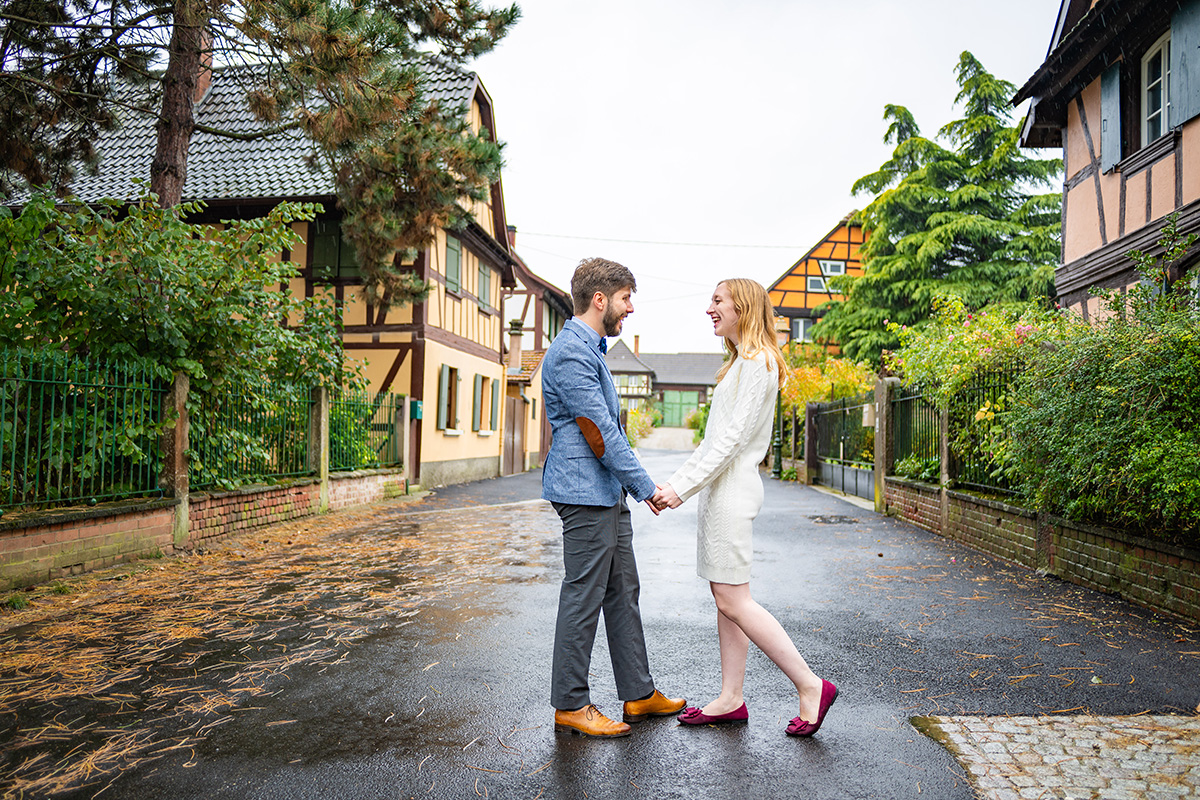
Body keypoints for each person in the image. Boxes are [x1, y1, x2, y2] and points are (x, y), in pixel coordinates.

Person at [654, 278, 838, 737]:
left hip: (733, 491)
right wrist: (679, 484)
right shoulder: (740, 364)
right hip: (721, 491)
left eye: (717, 300)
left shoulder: (758, 364)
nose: (709, 308)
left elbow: (732, 442)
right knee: (726, 600)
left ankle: (811, 685)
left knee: (735, 599)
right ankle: (730, 697)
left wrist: (681, 489)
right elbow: (714, 442)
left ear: (743, 305)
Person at [540, 257, 686, 738]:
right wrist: (647, 488)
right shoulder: (572, 354)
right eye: (625, 298)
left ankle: (639, 694)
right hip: (585, 495)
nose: (629, 309)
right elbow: (600, 433)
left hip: (605, 491)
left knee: (624, 591)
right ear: (599, 299)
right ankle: (570, 704)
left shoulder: (592, 349)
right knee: (582, 596)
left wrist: (630, 488)